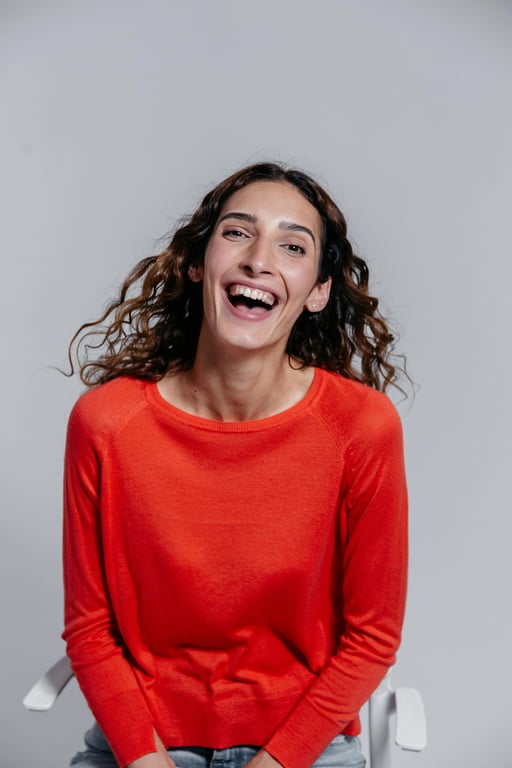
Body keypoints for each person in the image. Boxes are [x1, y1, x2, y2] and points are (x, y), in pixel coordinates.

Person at [63, 161, 408, 768]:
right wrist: (146, 759)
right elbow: (90, 629)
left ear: (318, 291)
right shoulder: (106, 422)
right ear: (198, 264)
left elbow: (372, 637)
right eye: (237, 232)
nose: (259, 259)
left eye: (292, 245)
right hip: (144, 745)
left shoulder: (362, 426)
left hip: (304, 749)